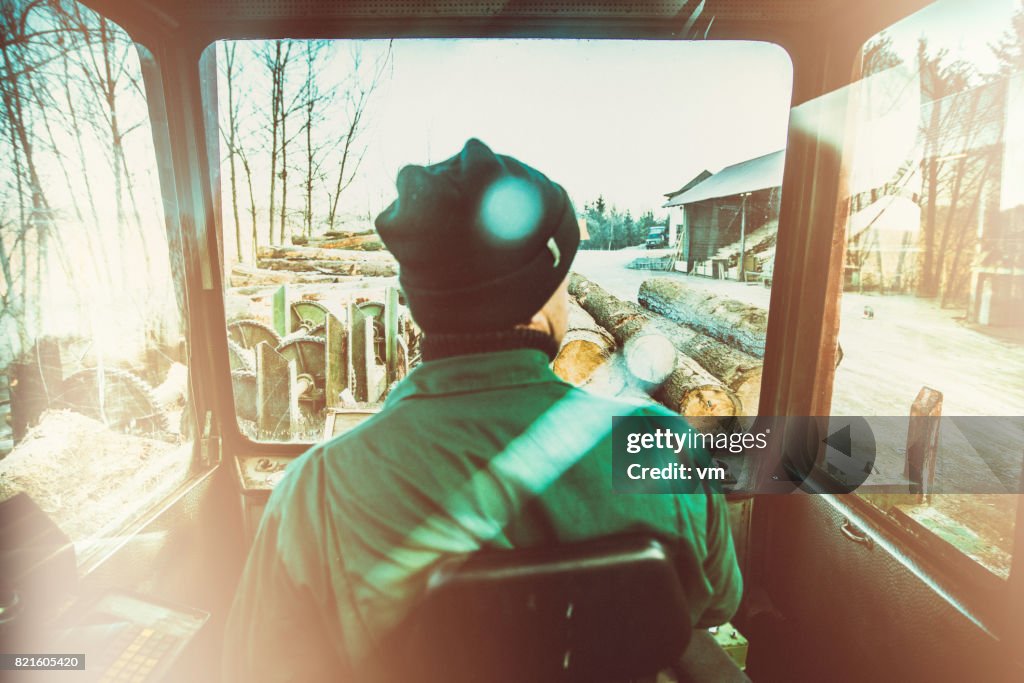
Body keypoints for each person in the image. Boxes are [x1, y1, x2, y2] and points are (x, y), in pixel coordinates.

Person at [223, 138, 742, 681]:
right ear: (543, 293)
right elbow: (716, 604)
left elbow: (256, 667)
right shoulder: (656, 443)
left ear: (422, 304)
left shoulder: (317, 489)